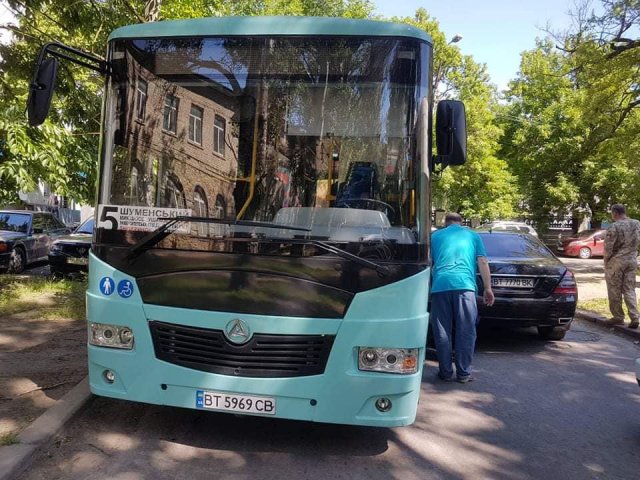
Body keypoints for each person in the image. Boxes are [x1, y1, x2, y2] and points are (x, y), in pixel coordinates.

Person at [430, 213, 494, 383]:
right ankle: (464, 373)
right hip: (465, 287)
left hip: (440, 285)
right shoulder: (473, 235)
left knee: (442, 331)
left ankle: (445, 372)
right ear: (461, 223)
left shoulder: (434, 236)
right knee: (466, 330)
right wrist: (488, 288)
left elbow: (428, 262)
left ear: (446, 223)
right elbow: (483, 262)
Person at [604, 204, 640, 328]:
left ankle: (618, 317)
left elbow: (609, 247)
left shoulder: (614, 226)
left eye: (612, 213)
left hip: (617, 261)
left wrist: (606, 261)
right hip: (632, 260)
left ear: (615, 213)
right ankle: (634, 317)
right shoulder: (636, 223)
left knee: (614, 289)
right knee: (629, 289)